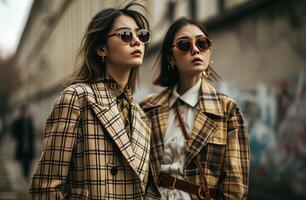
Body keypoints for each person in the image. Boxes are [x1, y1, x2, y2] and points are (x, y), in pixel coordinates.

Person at [30, 2, 152, 199]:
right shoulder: (77, 98)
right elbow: (46, 187)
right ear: (101, 48)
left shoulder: (142, 117)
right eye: (126, 35)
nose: (137, 41)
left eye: (141, 35)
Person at [141, 18, 250, 199]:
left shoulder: (226, 110)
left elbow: (235, 185)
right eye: (184, 45)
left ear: (209, 50)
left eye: (202, 43)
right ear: (170, 57)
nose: (195, 49)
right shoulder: (149, 108)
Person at [11, 104, 35, 180]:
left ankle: (26, 175)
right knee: (23, 161)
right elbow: (14, 131)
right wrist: (14, 138)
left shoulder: (30, 121)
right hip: (21, 145)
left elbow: (32, 132)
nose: (26, 113)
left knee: (29, 161)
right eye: (24, 111)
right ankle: (25, 175)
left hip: (29, 145)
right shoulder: (17, 121)